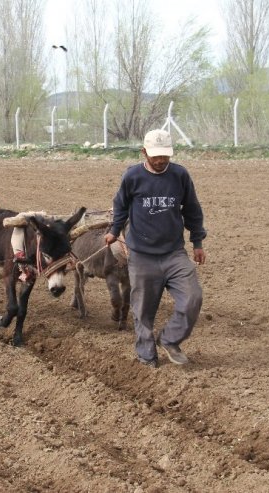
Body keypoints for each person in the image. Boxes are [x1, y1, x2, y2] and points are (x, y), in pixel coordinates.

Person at [104, 129, 206, 368]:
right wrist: (113, 229)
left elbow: (192, 209)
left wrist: (198, 242)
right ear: (144, 152)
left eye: (165, 156)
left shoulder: (180, 175)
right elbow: (120, 206)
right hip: (142, 255)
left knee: (193, 298)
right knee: (143, 309)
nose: (160, 161)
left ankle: (169, 339)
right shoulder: (132, 176)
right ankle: (146, 353)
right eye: (156, 156)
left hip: (174, 253)